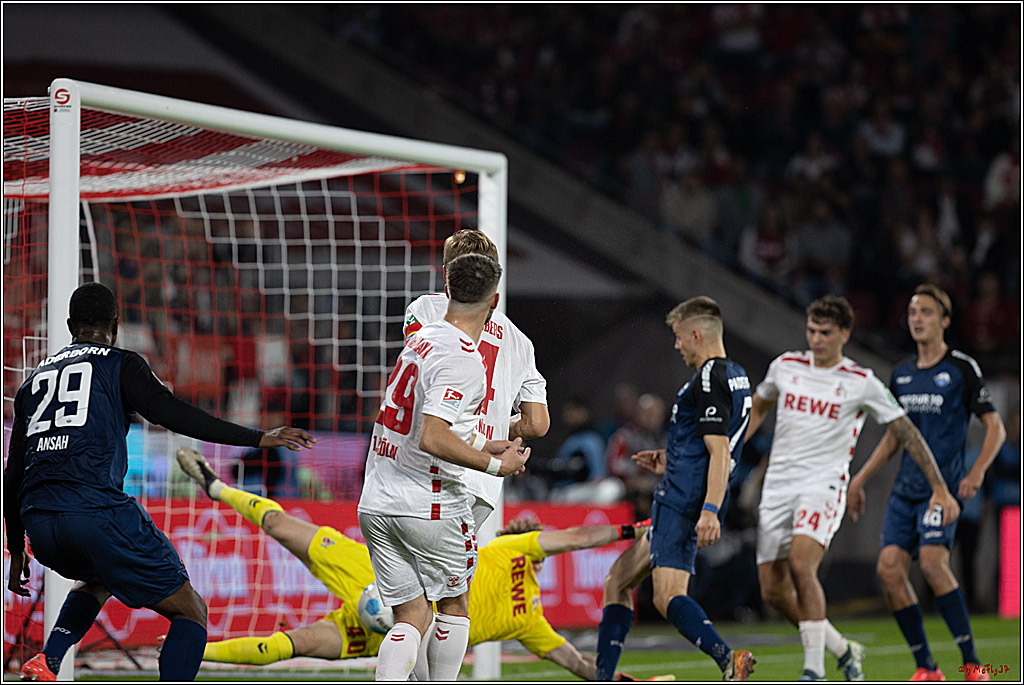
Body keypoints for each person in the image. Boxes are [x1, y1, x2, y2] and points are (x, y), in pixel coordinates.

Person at [4, 281, 314, 682]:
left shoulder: (31, 384)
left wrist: (16, 548)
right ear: (115, 324)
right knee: (191, 611)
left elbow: (13, 474)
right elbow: (173, 413)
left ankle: (49, 657)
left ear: (69, 325)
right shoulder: (120, 363)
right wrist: (257, 437)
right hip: (95, 512)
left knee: (99, 576)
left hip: (40, 526)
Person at [175, 446, 668, 680]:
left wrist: (611, 679)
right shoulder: (516, 553)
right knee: (283, 528)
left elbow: (572, 658)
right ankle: (217, 486)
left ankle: (194, 654)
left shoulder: (531, 621)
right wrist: (633, 530)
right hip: (383, 576)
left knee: (290, 646)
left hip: (391, 625)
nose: (528, 531)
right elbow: (581, 538)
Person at [746, 295, 958, 681]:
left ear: (845, 333)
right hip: (777, 485)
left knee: (800, 564)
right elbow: (758, 406)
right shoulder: (785, 367)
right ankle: (844, 650)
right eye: (811, 331)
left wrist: (940, 488)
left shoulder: (861, 382)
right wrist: (729, 449)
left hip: (823, 485)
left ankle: (813, 670)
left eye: (825, 333)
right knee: (772, 592)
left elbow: (906, 432)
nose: (816, 340)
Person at [358, 253, 530, 681]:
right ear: (494, 302)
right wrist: (494, 464)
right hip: (427, 504)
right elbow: (432, 437)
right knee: (454, 605)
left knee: (410, 617)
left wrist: (483, 441)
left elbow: (425, 421)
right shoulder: (466, 360)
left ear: (447, 289)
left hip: (377, 500)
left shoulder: (421, 339)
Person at [593, 296, 757, 682]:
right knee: (617, 580)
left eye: (679, 337)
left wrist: (710, 510)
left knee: (667, 596)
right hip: (689, 489)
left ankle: (727, 660)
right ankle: (603, 676)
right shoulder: (737, 376)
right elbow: (721, 444)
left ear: (697, 335)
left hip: (683, 499)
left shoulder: (706, 378)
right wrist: (669, 457)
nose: (677, 345)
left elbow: (719, 452)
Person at [848, 284, 1006, 682]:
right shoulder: (900, 374)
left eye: (927, 312)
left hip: (944, 490)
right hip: (905, 491)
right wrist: (859, 479)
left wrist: (977, 471)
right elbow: (893, 437)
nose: (917, 318)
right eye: (913, 312)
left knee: (935, 565)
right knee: (888, 570)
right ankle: (927, 667)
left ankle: (972, 664)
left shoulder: (960, 369)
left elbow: (996, 428)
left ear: (945, 321)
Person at [403, 228, 549, 532]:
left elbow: (419, 375)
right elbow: (537, 423)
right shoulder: (520, 341)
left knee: (414, 576)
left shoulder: (426, 309)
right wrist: (496, 424)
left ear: (446, 273)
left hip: (435, 466)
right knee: (450, 575)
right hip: (482, 486)